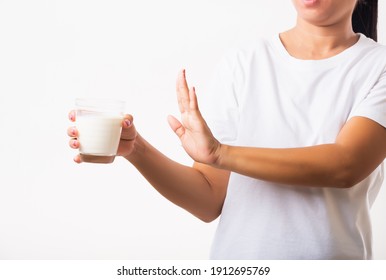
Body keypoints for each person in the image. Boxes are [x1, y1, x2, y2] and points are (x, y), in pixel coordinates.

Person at [68, 0, 385, 259]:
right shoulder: (244, 63)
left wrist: (221, 154)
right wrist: (136, 150)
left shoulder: (376, 67)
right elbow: (208, 199)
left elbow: (346, 165)